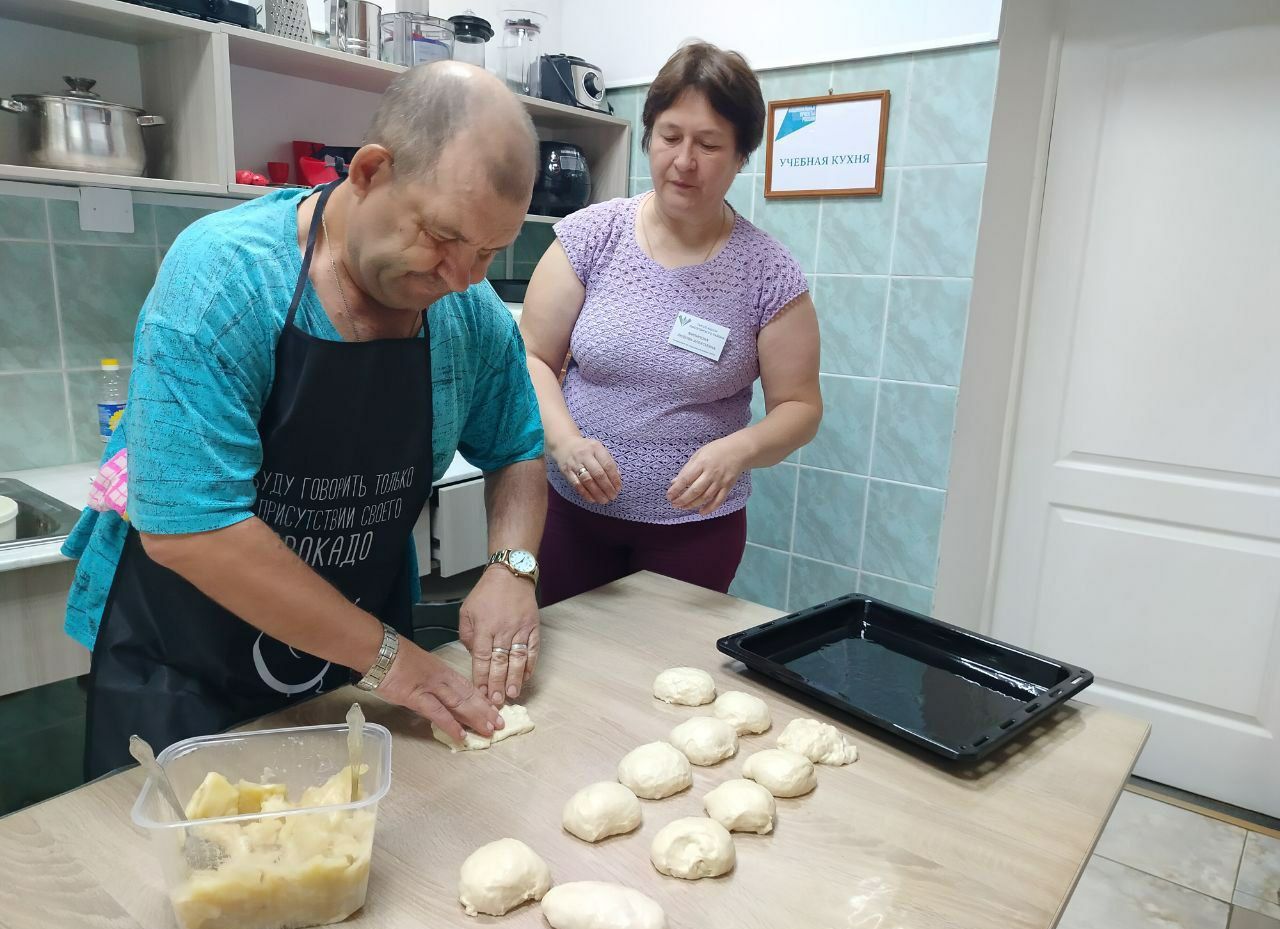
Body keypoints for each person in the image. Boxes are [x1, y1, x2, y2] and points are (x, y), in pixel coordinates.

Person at [63, 62, 548, 778]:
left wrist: (514, 567)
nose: (464, 277)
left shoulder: (467, 316)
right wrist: (393, 662)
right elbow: (190, 530)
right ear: (373, 172)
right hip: (185, 662)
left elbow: (518, 448)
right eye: (445, 238)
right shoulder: (226, 278)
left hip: (354, 653)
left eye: (488, 251)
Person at [522, 41, 822, 606]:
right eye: (670, 136)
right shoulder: (591, 236)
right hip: (571, 515)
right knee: (567, 676)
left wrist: (737, 451)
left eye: (709, 145)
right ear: (648, 137)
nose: (684, 160)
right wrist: (564, 441)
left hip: (695, 530)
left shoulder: (769, 273)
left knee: (666, 683)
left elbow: (801, 408)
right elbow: (533, 356)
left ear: (740, 156)